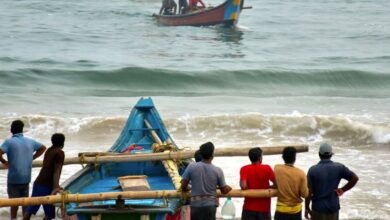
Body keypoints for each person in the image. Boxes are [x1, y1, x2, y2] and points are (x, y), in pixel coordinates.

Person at [0, 120, 46, 220]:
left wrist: (4, 161)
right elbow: (43, 148)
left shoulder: (9, 141)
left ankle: (13, 219)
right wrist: (32, 158)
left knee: (13, 203)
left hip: (14, 178)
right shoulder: (30, 141)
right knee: (25, 202)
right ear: (22, 130)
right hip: (26, 177)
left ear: (11, 130)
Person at [305, 143, 359, 220]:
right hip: (333, 207)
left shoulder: (312, 170)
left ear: (319, 154)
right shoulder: (339, 167)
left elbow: (309, 191)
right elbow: (355, 178)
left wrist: (307, 207)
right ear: (331, 155)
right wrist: (342, 190)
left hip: (318, 208)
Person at [181, 142, 232, 220]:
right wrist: (229, 188)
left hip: (196, 205)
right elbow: (224, 191)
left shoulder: (191, 166)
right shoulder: (218, 170)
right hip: (210, 206)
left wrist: (187, 189)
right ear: (212, 155)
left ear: (201, 154)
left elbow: (183, 185)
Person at [23, 133, 66, 220]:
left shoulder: (49, 150)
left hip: (38, 183)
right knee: (49, 214)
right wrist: (56, 187)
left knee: (30, 210)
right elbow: (56, 170)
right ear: (63, 142)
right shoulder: (60, 153)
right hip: (47, 185)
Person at [239, 147, 276, 220]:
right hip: (264, 208)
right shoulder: (267, 168)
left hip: (248, 207)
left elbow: (243, 186)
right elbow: (277, 184)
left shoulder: (244, 169)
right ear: (260, 158)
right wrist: (267, 187)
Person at [274, 147, 309, 220]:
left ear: (283, 157)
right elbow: (304, 194)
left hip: (281, 210)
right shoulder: (301, 173)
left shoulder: (277, 168)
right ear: (294, 158)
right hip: (295, 211)